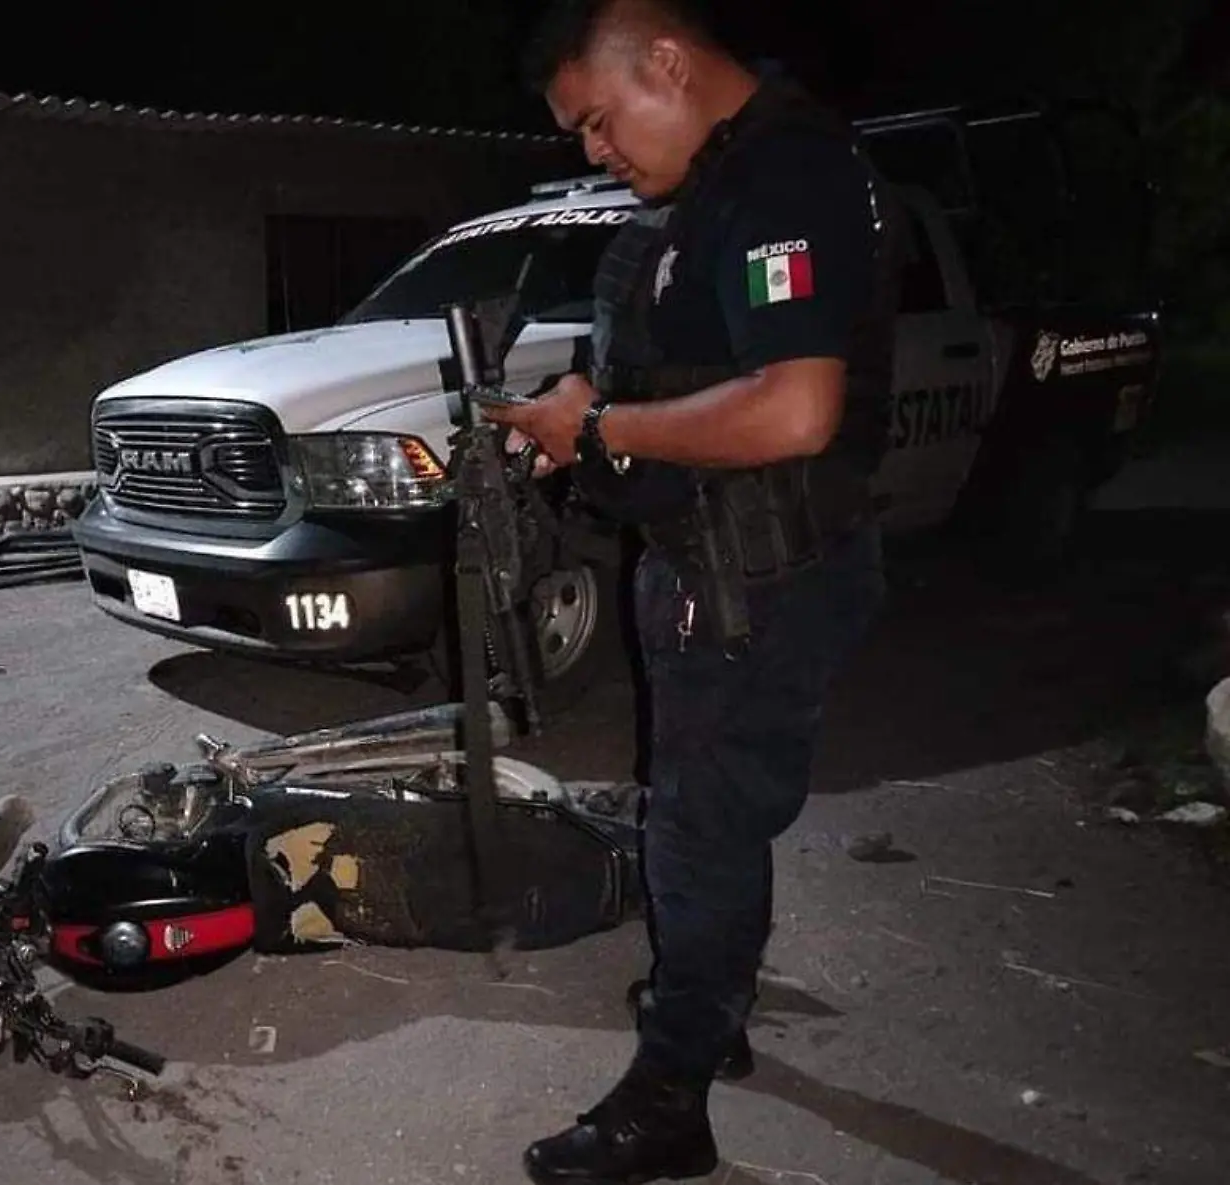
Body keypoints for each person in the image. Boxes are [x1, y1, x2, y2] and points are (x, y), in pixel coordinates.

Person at [482, 1, 906, 1181]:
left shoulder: (786, 174)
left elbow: (794, 407)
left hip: (756, 576)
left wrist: (601, 421)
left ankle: (669, 1099)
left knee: (696, 834)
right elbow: (697, 374)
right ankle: (706, 1009)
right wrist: (577, 429)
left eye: (601, 121)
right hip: (718, 564)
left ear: (666, 61)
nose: (593, 152)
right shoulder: (716, 191)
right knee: (705, 820)